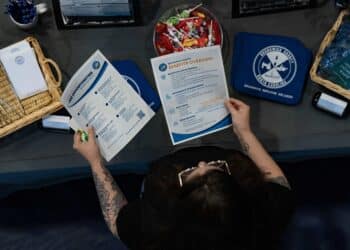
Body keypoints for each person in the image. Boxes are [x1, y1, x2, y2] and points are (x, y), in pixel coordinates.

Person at [73, 97, 295, 250]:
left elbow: (116, 219)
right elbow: (279, 182)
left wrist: (95, 162)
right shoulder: (269, 214)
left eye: (190, 174)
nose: (200, 163)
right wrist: (243, 132)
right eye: (217, 167)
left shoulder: (154, 232)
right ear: (242, 194)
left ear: (176, 205)